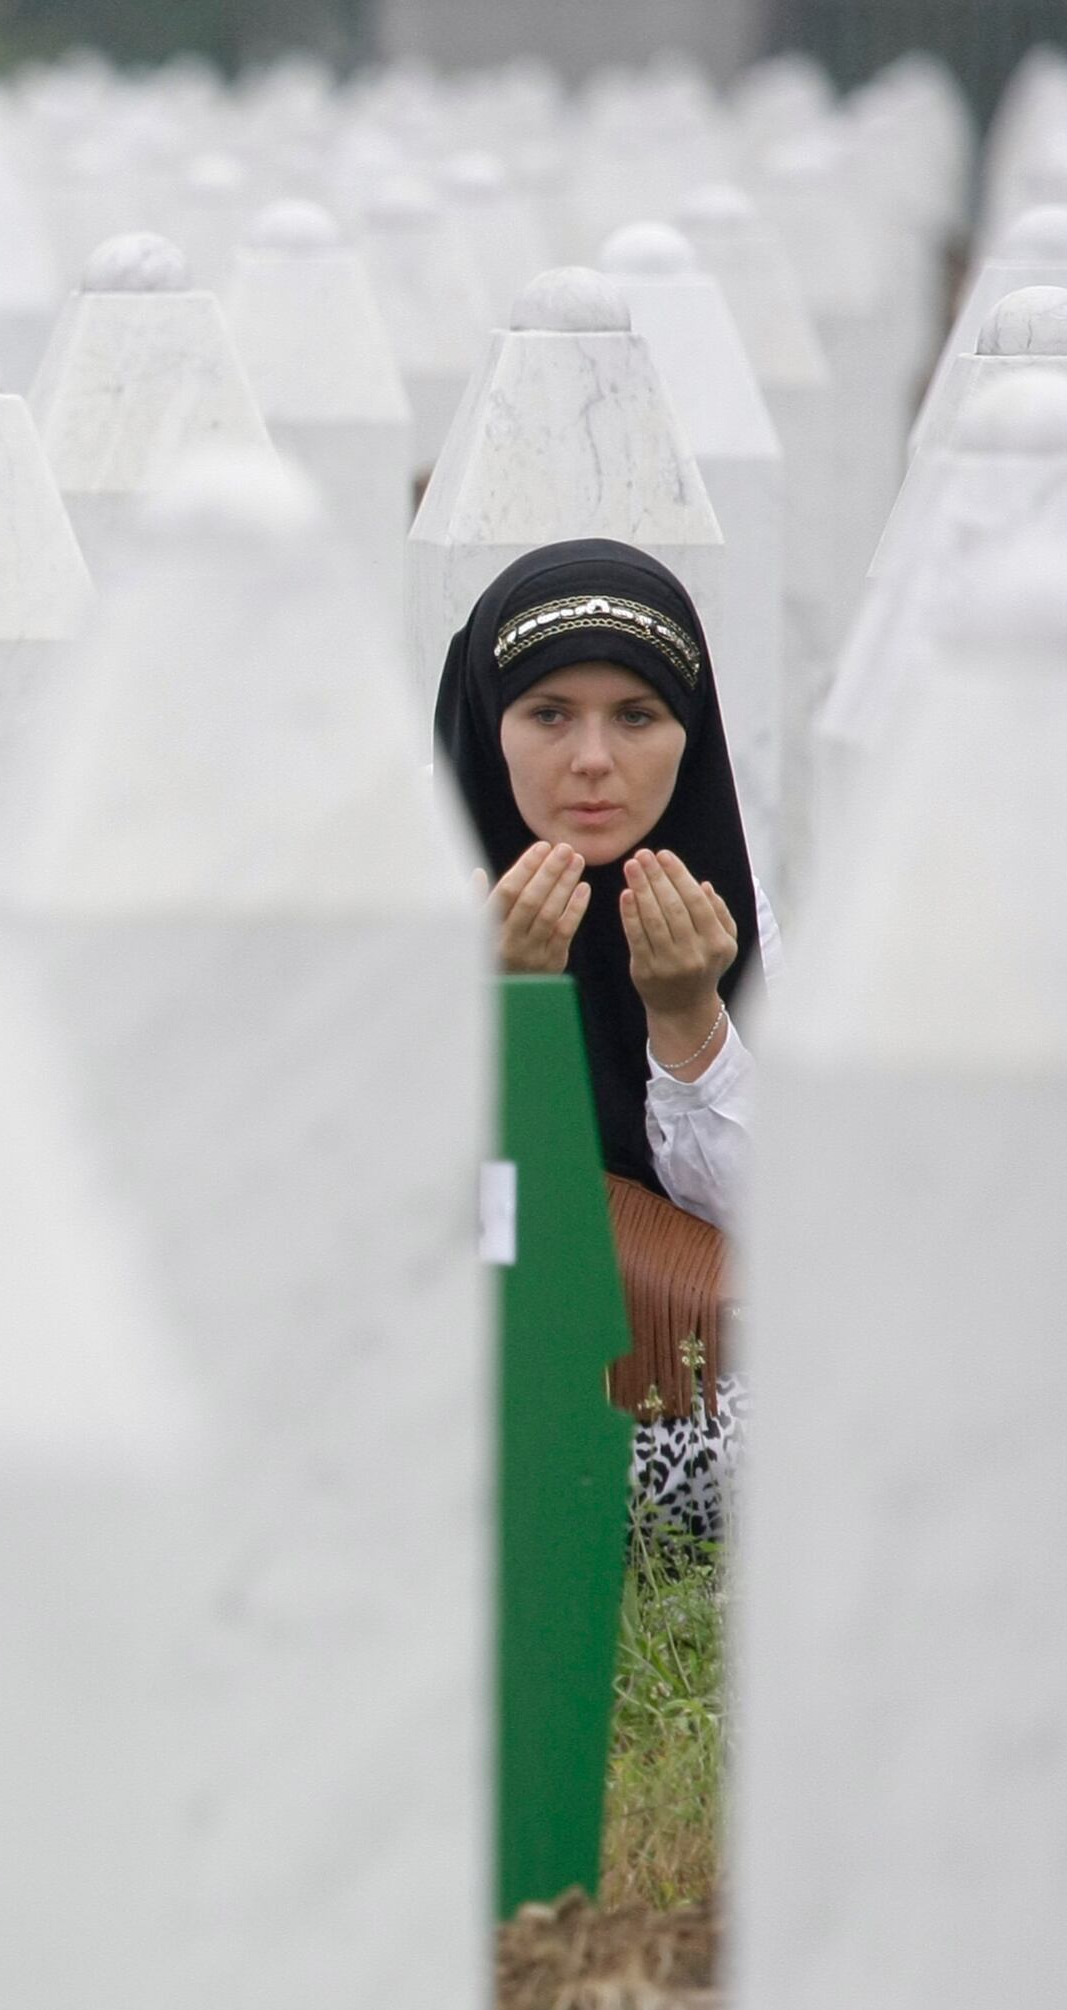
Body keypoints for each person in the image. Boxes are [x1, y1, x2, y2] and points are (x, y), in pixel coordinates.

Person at [436, 540, 762, 1532]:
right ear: (491, 726)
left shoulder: (724, 899)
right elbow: (370, 1215)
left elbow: (788, 1227)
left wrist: (688, 1016)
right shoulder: (406, 877)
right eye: (547, 715)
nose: (592, 760)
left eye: (636, 716)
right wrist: (504, 1007)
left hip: (669, 1368)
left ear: (689, 733)